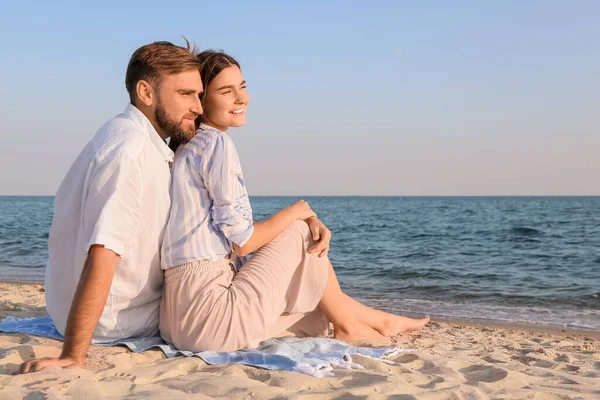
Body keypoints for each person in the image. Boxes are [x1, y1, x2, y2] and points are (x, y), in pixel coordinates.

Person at [160, 50, 429, 352]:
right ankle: (350, 327)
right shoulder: (216, 144)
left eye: (243, 87)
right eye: (226, 90)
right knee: (303, 231)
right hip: (212, 314)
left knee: (315, 319)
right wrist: (299, 213)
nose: (241, 98)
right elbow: (243, 243)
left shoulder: (186, 147)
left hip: (176, 323)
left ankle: (380, 321)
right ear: (201, 100)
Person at [19, 40, 204, 374]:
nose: (198, 108)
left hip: (81, 311)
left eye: (199, 95)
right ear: (146, 93)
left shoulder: (121, 134)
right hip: (119, 321)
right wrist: (73, 355)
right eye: (185, 94)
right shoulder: (130, 152)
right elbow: (104, 250)